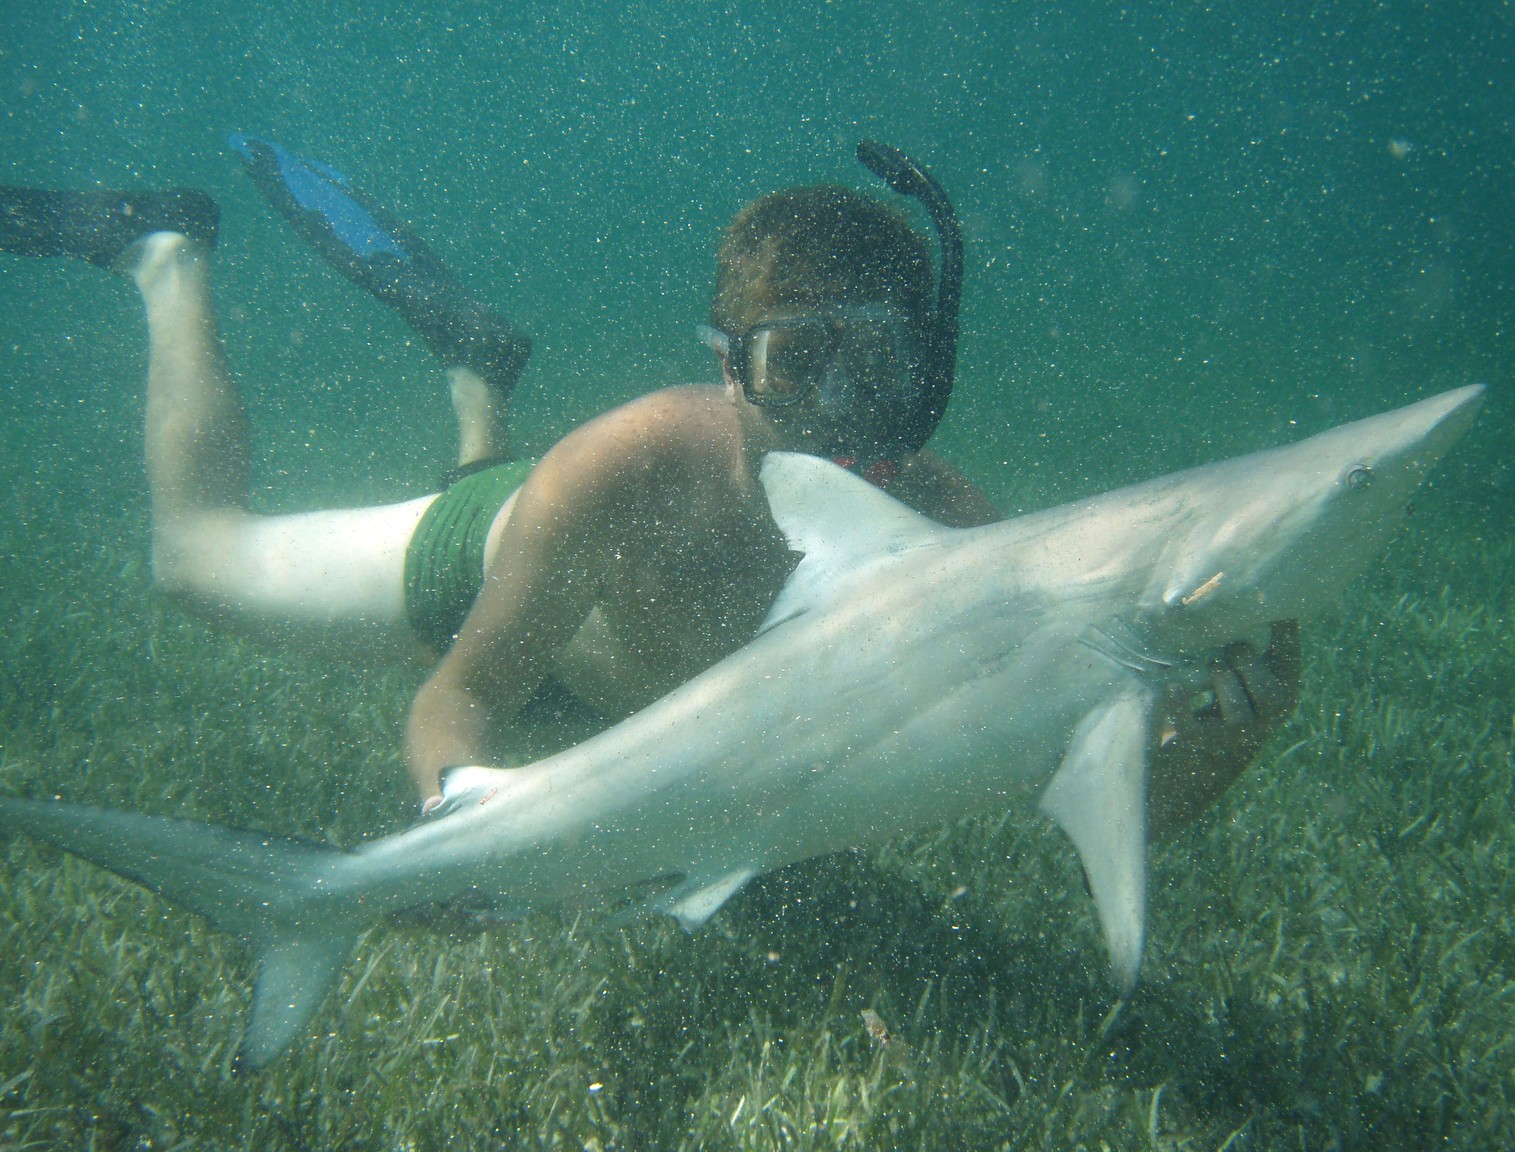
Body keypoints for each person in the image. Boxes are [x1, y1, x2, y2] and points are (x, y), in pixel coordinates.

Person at [0, 137, 1296, 831]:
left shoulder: (952, 533)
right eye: (804, 364)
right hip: (497, 565)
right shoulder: (634, 464)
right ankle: (166, 254)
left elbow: (1097, 792)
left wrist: (1223, 744)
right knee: (194, 559)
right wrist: (452, 819)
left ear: (932, 363)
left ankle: (477, 373)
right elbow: (461, 697)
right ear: (731, 367)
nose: (841, 412)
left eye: (880, 364)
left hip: (600, 634)